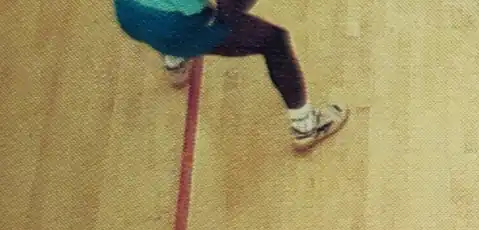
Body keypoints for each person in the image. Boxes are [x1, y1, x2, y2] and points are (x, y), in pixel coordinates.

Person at [113, 0, 348, 151]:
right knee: (273, 40)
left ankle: (174, 61)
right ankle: (305, 126)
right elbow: (226, 11)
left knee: (168, 23)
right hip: (177, 26)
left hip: (129, 15)